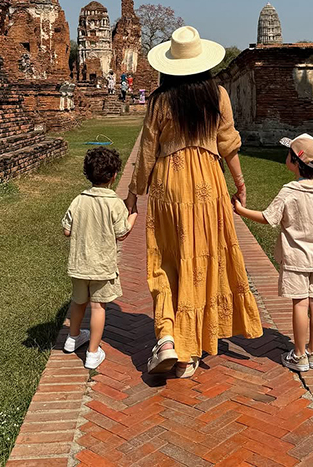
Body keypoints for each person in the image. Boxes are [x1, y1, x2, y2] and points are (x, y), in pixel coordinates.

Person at [125, 25, 263, 378]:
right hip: (208, 181)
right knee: (203, 258)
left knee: (167, 259)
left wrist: (132, 195)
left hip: (169, 181)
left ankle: (170, 338)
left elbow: (147, 151)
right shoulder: (217, 95)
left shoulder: (159, 100)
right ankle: (194, 345)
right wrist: (240, 183)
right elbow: (228, 143)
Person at [234, 133, 313, 373]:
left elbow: (268, 217)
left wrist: (241, 210)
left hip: (296, 259)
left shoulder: (290, 191)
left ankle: (299, 355)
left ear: (295, 161)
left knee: (300, 304)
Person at [62, 147, 137, 369]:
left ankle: (72, 338)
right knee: (98, 307)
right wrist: (132, 215)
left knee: (78, 303)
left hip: (79, 265)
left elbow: (67, 230)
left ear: (87, 173)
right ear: (114, 175)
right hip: (102, 267)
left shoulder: (78, 200)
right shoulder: (114, 203)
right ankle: (93, 352)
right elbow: (122, 233)